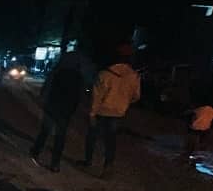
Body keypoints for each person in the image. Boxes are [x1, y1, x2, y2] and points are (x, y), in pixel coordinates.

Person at [78, 42, 140, 177]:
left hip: (102, 111)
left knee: (92, 137)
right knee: (111, 140)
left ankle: (88, 162)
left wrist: (92, 113)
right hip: (118, 112)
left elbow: (97, 96)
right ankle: (108, 166)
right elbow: (136, 96)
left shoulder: (105, 74)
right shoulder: (134, 76)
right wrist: (124, 102)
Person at [30, 51, 83, 171]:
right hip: (66, 110)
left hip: (52, 106)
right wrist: (73, 109)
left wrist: (43, 101)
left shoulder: (57, 72)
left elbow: (47, 88)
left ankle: (36, 151)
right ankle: (55, 163)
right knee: (60, 136)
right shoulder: (78, 76)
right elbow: (78, 96)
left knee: (45, 130)